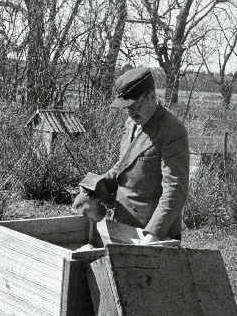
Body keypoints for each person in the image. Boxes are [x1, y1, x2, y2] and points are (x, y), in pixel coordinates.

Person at [75, 67, 189, 242]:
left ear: (151, 95)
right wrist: (95, 189)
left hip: (154, 231)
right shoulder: (132, 123)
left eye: (135, 105)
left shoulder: (172, 131)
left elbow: (175, 189)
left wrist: (154, 234)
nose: (130, 113)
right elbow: (125, 165)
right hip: (123, 222)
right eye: (126, 108)